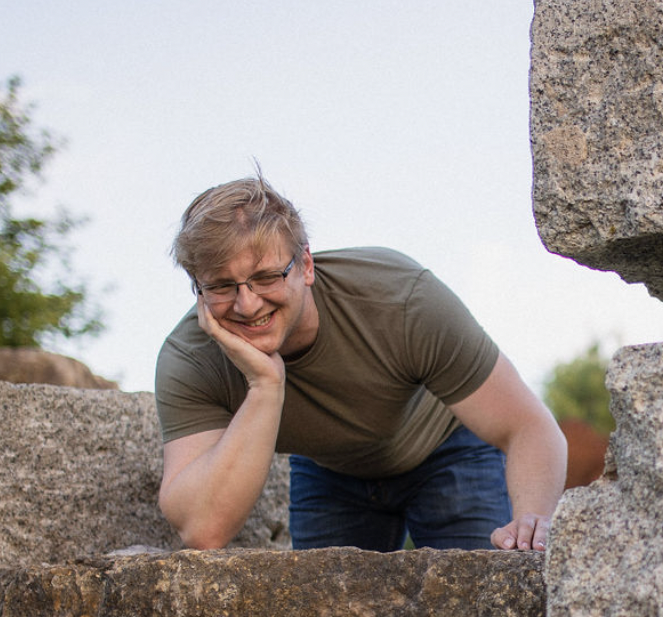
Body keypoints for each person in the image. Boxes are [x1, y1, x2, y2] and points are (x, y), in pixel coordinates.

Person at [154, 175, 566, 554]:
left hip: (444, 451)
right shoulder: (191, 359)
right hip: (328, 472)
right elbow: (203, 530)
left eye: (266, 277)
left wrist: (531, 521)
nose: (247, 304)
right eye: (222, 286)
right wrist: (265, 384)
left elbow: (529, 426)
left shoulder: (402, 298)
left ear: (307, 265)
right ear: (198, 289)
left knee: (486, 608)